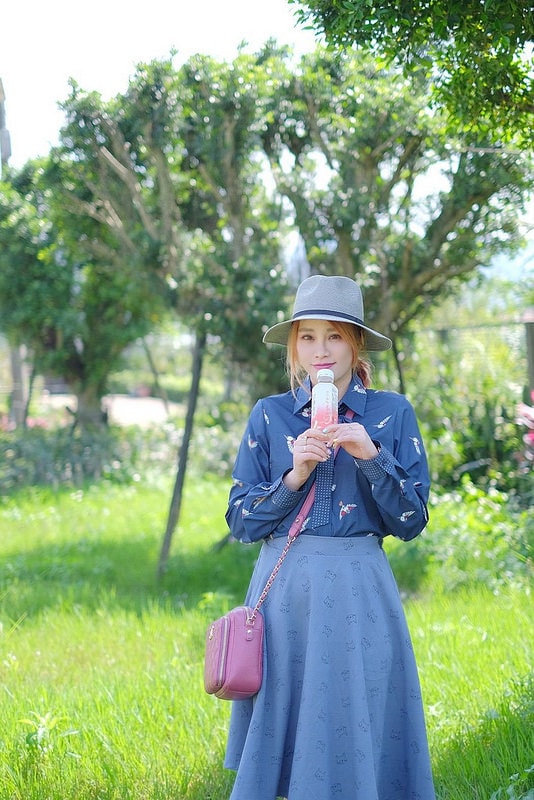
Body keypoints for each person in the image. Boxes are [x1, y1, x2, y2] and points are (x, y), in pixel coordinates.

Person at [224, 274, 436, 800]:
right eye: (308, 336)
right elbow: (242, 522)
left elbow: (412, 521)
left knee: (354, 713)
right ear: (294, 345)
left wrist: (373, 457)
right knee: (292, 722)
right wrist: (293, 475)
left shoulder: (391, 414)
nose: (321, 350)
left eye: (335, 335)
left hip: (361, 590)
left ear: (356, 343)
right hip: (286, 595)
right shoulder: (269, 416)